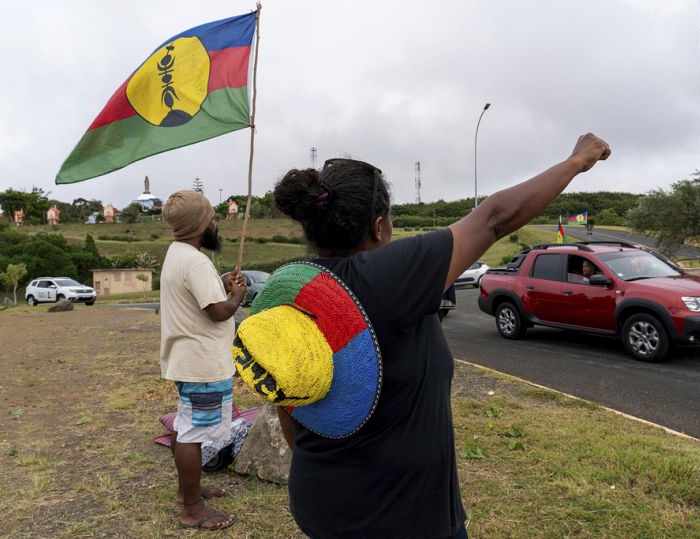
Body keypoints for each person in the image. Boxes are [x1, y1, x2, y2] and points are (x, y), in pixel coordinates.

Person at [269, 133, 610, 538]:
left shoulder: (288, 290)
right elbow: (494, 217)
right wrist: (577, 161)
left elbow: (285, 401)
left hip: (320, 503)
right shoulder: (386, 278)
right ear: (378, 227)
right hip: (404, 519)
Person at [159, 190, 246, 531]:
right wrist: (237, 296)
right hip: (202, 363)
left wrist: (221, 285)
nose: (216, 222)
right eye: (212, 217)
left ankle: (187, 491)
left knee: (185, 425)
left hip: (186, 359)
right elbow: (218, 312)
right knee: (193, 433)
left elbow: (200, 298)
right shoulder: (196, 261)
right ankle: (193, 509)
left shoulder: (177, 253)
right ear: (199, 224)